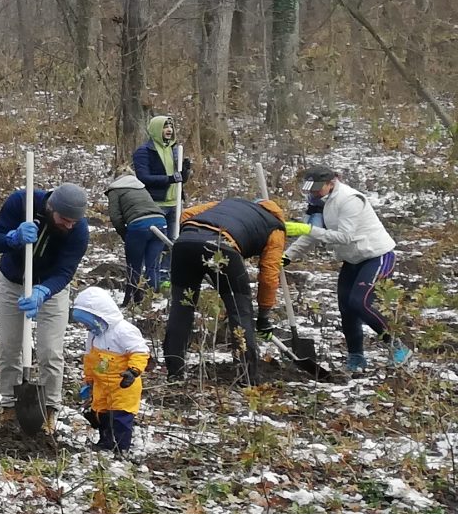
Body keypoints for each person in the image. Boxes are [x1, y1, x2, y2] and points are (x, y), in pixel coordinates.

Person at [0, 181, 90, 431]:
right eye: (64, 219)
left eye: (74, 221)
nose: (69, 225)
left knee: (50, 351)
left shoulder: (79, 230)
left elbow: (66, 271)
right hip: (13, 283)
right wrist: (13, 238)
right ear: (51, 206)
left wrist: (44, 290)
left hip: (51, 289)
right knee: (10, 347)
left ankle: (49, 409)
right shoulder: (22, 203)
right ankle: (10, 406)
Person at [162, 193, 300, 380]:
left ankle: (174, 373)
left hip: (185, 243)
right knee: (240, 312)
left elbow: (187, 213)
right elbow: (268, 275)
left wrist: (193, 241)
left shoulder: (228, 202)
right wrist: (264, 315)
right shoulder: (275, 228)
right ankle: (247, 377)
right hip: (223, 246)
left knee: (181, 307)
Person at [300, 163, 409, 372]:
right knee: (346, 308)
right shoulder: (319, 202)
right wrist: (287, 257)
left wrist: (309, 229)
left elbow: (345, 236)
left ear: (331, 184)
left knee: (360, 303)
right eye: (309, 189)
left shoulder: (350, 199)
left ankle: (397, 346)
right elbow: (310, 235)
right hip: (352, 260)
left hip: (376, 256)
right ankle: (356, 358)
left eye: (316, 189)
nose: (312, 193)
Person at [70, 286, 149, 452]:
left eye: (87, 323)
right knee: (102, 415)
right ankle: (105, 443)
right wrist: (89, 381)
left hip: (122, 385)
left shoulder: (123, 330)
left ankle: (121, 448)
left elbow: (140, 351)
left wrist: (133, 371)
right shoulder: (93, 335)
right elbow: (90, 359)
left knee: (120, 418)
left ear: (99, 316)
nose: (86, 328)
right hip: (102, 386)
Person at [103, 170, 169, 294]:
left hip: (139, 225)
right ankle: (152, 298)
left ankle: (133, 298)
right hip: (160, 222)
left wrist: (124, 234)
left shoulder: (115, 190)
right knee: (153, 266)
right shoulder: (141, 187)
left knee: (134, 267)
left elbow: (115, 216)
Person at [133, 114, 185, 226]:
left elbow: (180, 179)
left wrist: (186, 172)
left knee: (174, 241)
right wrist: (170, 179)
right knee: (158, 240)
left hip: (176, 204)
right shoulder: (144, 151)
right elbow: (143, 178)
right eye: (165, 127)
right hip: (155, 204)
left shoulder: (174, 149)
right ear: (156, 129)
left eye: (171, 126)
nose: (169, 130)